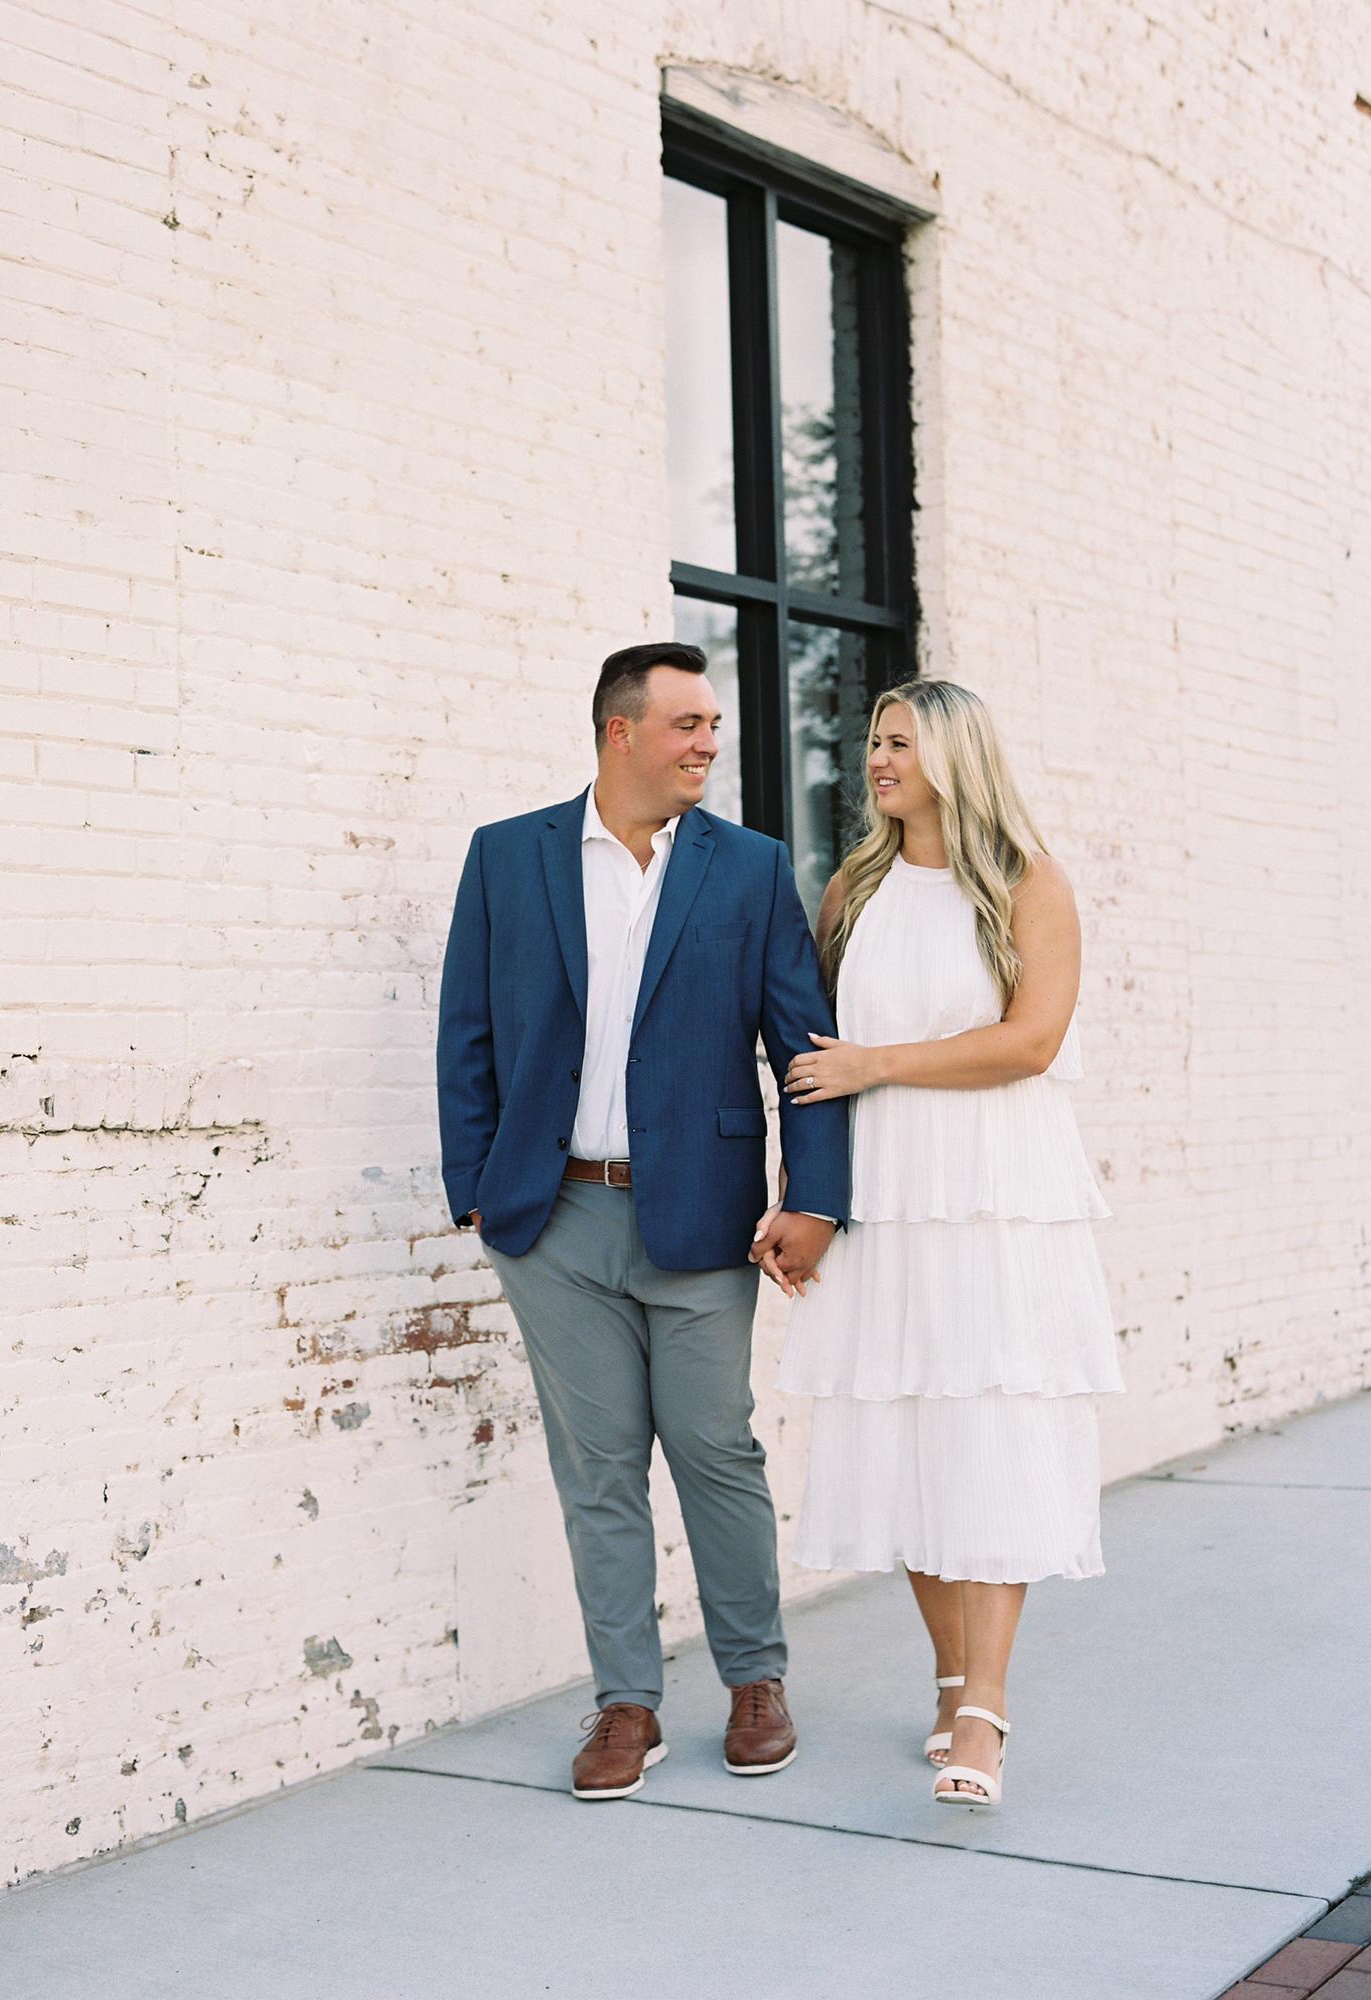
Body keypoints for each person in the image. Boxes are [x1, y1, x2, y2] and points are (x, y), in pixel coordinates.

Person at [437, 641, 848, 1800]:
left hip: (703, 1215)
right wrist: (478, 1188)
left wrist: (814, 1196)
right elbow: (466, 1030)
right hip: (552, 1216)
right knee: (598, 1466)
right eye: (687, 724)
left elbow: (802, 1046)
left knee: (715, 1447)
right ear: (620, 731)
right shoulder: (508, 856)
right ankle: (625, 1700)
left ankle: (754, 1679)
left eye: (712, 723)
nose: (708, 742)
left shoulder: (749, 867)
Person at [772, 677, 1122, 1809]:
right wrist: (801, 1197)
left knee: (989, 1433)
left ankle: (986, 1710)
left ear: (956, 757)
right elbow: (809, 1060)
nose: (878, 759)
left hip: (992, 1195)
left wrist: (877, 1063)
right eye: (874, 741)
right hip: (885, 1197)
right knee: (907, 1436)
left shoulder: (1027, 881)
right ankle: (949, 1675)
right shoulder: (853, 887)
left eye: (902, 743)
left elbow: (1031, 1040)